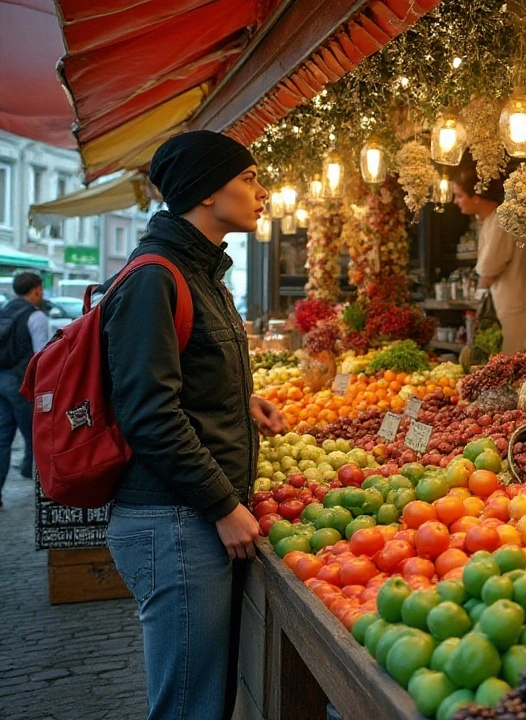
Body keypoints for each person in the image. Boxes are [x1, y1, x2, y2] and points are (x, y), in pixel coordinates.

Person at [100, 130, 284, 720]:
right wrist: (222, 506)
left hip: (187, 518)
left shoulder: (199, 271)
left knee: (203, 700)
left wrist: (242, 404)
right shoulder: (157, 275)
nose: (263, 192)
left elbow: (183, 379)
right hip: (173, 521)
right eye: (250, 178)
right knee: (188, 708)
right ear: (206, 191)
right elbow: (148, 413)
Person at [450, 158, 526, 354]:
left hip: (518, 309)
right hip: (512, 307)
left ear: (476, 196)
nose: (455, 201)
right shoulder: (492, 220)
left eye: (458, 195)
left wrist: (478, 294)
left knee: (516, 369)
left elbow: (488, 269)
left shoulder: (502, 219)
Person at [0, 272, 50, 506]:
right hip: (22, 384)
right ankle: (41, 487)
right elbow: (42, 354)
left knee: (2, 438)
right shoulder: (35, 316)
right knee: (35, 435)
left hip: (1, 379)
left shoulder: (5, 310)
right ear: (37, 289)